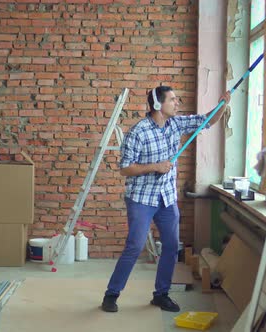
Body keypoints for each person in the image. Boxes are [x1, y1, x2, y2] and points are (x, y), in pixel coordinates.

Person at [101, 85, 231, 313]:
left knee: (171, 247)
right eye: (172, 100)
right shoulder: (138, 132)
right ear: (158, 105)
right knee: (135, 246)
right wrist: (155, 167)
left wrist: (223, 105)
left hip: (167, 198)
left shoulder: (175, 124)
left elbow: (207, 121)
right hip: (141, 199)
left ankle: (161, 294)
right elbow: (124, 169)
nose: (177, 103)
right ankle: (111, 295)